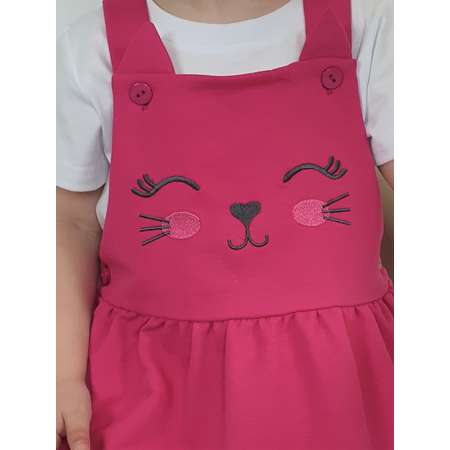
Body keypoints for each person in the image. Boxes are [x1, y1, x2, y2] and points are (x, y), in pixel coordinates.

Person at [56, 1, 394, 449]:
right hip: (153, 381)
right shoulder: (89, 45)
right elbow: (70, 222)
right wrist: (61, 371)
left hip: (342, 375)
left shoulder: (366, 27)